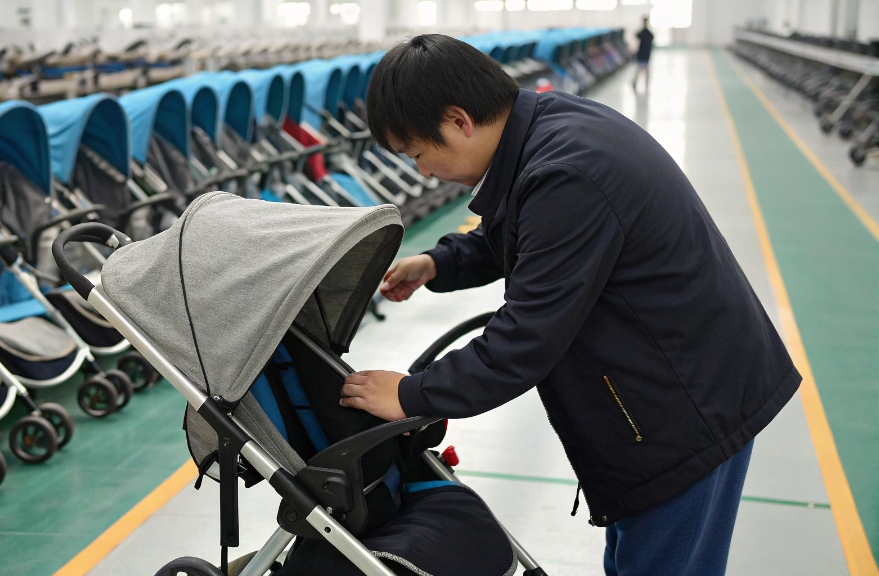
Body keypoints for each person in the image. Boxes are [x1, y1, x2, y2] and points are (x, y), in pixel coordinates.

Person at [338, 34, 800, 576]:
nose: (423, 172)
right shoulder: (547, 128)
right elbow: (528, 237)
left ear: (459, 120)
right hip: (685, 381)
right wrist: (441, 263)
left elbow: (521, 343)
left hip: (685, 413)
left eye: (419, 153)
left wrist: (412, 393)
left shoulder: (568, 174)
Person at [633, 17, 654, 90]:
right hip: (642, 53)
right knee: (639, 69)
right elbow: (636, 35)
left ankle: (646, 82)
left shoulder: (647, 33)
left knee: (645, 69)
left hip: (645, 53)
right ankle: (635, 82)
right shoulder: (645, 32)